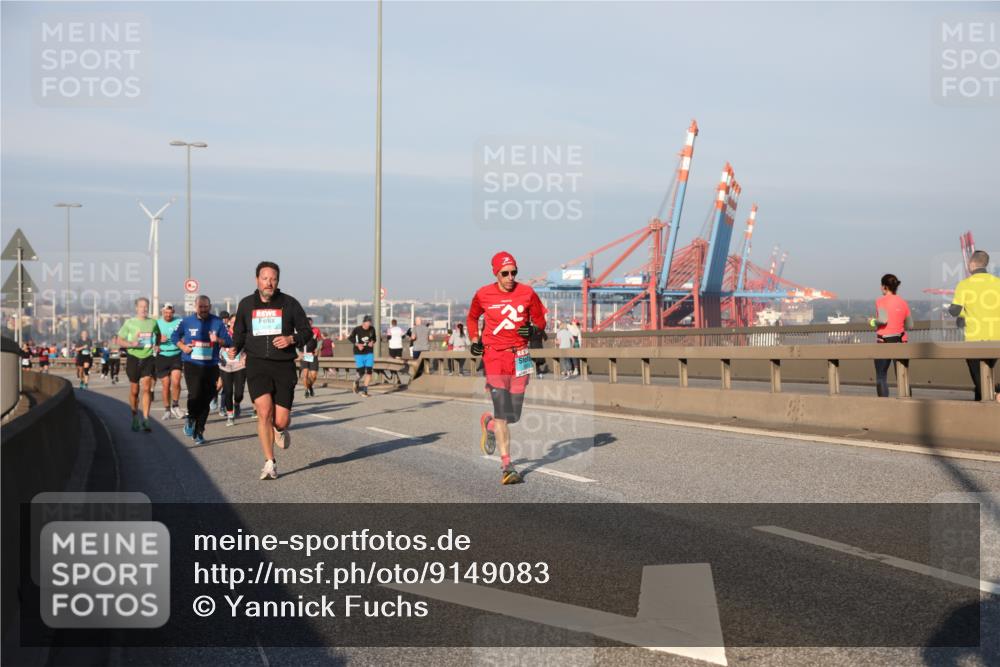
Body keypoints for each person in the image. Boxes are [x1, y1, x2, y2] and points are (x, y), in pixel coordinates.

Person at [468, 251, 547, 485]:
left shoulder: (527, 293)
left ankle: (489, 424)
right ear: (496, 273)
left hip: (520, 357)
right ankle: (507, 465)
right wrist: (474, 340)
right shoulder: (483, 294)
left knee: (514, 415)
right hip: (494, 357)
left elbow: (541, 319)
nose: (510, 277)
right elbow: (472, 319)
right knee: (502, 411)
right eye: (505, 273)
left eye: (514, 272)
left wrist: (534, 330)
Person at [231, 261, 313, 480]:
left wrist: (291, 339)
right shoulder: (246, 304)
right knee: (264, 411)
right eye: (265, 278)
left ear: (278, 281)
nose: (269, 282)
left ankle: (279, 429)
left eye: (273, 279)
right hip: (257, 364)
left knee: (281, 420)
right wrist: (234, 348)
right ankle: (270, 462)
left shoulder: (290, 303)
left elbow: (307, 332)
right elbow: (239, 332)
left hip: (283, 365)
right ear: (257, 279)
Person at [172, 295, 231, 445]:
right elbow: (174, 336)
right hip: (192, 363)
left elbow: (229, 342)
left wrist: (217, 340)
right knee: (195, 393)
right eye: (201, 307)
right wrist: (183, 347)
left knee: (207, 397)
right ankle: (191, 418)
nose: (203, 309)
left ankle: (199, 431)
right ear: (195, 307)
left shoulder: (217, 322)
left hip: (211, 365)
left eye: (206, 307)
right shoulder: (186, 321)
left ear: (210, 307)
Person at [949, 250, 1000, 401]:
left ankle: (994, 396)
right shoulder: (997, 283)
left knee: (979, 377)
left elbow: (955, 310)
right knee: (987, 373)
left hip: (974, 340)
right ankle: (984, 409)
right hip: (997, 339)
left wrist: (960, 314)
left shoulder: (964, 285)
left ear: (971, 264)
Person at [115, 297, 160, 432]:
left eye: (146, 306)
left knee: (147, 388)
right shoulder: (129, 323)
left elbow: (157, 334)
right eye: (141, 306)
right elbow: (119, 340)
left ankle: (146, 419)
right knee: (135, 391)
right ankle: (135, 416)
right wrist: (130, 344)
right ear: (136, 308)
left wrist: (157, 345)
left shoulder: (153, 322)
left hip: (148, 357)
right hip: (134, 357)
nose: (144, 309)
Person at [870, 274, 912, 397]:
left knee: (881, 376)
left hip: (884, 342)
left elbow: (883, 320)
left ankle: (885, 406)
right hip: (901, 341)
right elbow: (910, 325)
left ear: (884, 287)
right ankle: (908, 403)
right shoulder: (903, 302)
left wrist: (872, 322)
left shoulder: (881, 301)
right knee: (903, 376)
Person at [155, 303, 185, 419]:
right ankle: (167, 409)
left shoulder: (179, 321)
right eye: (166, 313)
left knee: (176, 380)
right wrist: (158, 340)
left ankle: (176, 405)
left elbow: (185, 334)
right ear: (162, 312)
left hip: (176, 354)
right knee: (166, 384)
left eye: (170, 312)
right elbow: (151, 340)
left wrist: (183, 340)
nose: (168, 315)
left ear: (173, 312)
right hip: (162, 355)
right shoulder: (157, 323)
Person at [218, 311, 247, 426]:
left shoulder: (244, 335)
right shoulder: (223, 333)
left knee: (239, 393)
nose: (235, 324)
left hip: (239, 365)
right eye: (233, 322)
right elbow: (216, 346)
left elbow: (250, 347)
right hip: (225, 366)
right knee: (228, 391)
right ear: (229, 322)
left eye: (237, 322)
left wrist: (246, 356)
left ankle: (237, 404)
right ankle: (230, 415)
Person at [349, 315, 377, 398]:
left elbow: (374, 338)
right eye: (367, 322)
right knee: (361, 371)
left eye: (370, 323)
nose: (368, 324)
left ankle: (365, 391)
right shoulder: (357, 329)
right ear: (363, 322)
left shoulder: (372, 329)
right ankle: (356, 381)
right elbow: (350, 338)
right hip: (359, 353)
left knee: (369, 371)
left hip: (369, 352)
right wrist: (357, 344)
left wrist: (372, 342)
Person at [299, 317, 320, 398]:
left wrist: (317, 349)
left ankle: (310, 386)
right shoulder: (300, 331)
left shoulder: (316, 330)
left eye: (310, 323)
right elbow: (295, 342)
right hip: (304, 355)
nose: (309, 324)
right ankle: (306, 390)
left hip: (312, 355)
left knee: (314, 376)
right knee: (305, 375)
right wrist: (299, 353)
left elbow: (320, 340)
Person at [385, 318, 405, 383]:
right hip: (399, 347)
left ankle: (395, 376)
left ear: (392, 323)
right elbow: (403, 336)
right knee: (397, 362)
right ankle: (397, 376)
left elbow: (388, 337)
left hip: (392, 347)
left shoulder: (389, 329)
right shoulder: (400, 329)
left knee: (392, 362)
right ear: (396, 323)